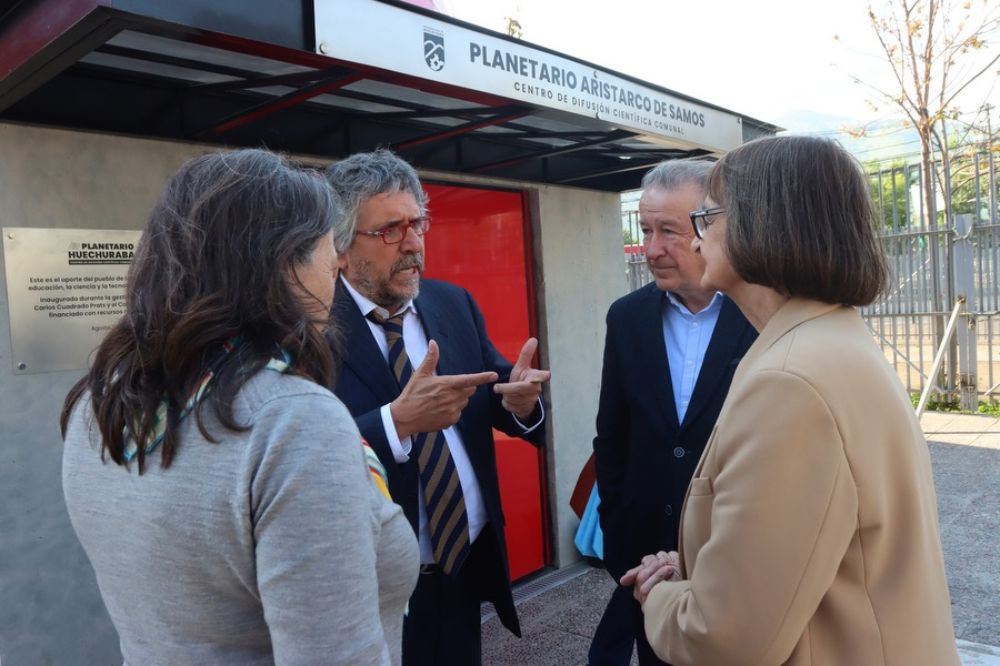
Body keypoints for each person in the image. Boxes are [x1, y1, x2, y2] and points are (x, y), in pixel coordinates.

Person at [61, 149, 418, 665]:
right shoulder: (293, 422)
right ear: (279, 265)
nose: (338, 264)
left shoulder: (97, 402)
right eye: (326, 247)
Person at [623, 135, 960, 666]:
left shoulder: (789, 381)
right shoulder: (831, 340)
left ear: (763, 224)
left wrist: (659, 595)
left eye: (706, 217)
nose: (695, 238)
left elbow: (726, 637)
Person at [325, 149, 551, 666]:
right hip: (378, 585)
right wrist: (395, 422)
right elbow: (307, 454)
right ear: (339, 247)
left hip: (464, 563)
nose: (412, 244)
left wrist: (519, 402)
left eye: (417, 224)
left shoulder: (451, 303)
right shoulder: (309, 329)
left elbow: (491, 392)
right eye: (388, 231)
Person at [591, 159, 757, 665]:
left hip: (736, 560)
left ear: (713, 227)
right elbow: (612, 438)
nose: (652, 248)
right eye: (645, 229)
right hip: (647, 569)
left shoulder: (759, 316)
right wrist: (621, 540)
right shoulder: (627, 317)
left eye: (669, 230)